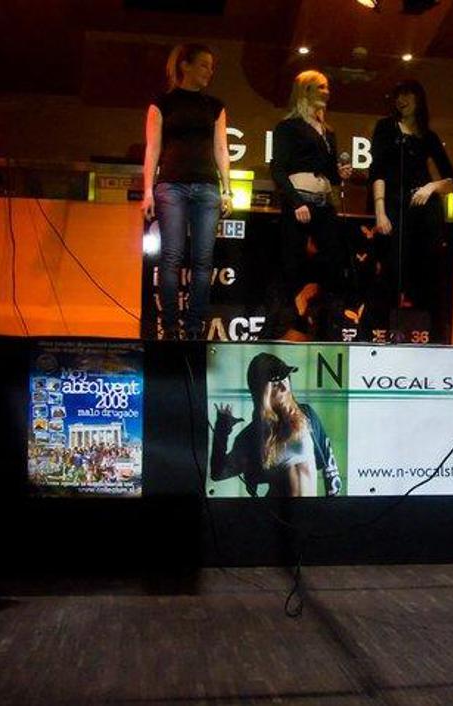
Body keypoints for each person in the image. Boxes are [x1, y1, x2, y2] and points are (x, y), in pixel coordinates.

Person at [141, 43, 232, 340]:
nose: (209, 71)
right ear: (185, 65)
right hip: (172, 184)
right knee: (172, 257)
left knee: (203, 260)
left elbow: (221, 149)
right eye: (204, 65)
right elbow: (153, 148)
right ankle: (170, 327)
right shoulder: (162, 103)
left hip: (207, 186)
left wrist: (227, 189)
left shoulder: (215, 106)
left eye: (212, 67)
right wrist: (147, 190)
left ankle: (194, 328)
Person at [369, 79, 453, 340]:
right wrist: (380, 211)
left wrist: (431, 187)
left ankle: (432, 337)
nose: (401, 100)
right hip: (395, 208)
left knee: (428, 273)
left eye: (407, 94)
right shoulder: (385, 128)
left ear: (419, 99)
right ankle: (381, 334)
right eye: (398, 95)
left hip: (425, 212)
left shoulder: (429, 136)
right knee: (391, 271)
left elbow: (452, 181)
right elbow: (378, 171)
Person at [270, 70, 352, 339]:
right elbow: (278, 169)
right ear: (306, 91)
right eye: (321, 87)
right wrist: (296, 202)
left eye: (327, 87)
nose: (327, 92)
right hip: (300, 201)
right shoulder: (288, 127)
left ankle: (326, 327)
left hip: (323, 202)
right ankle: (286, 327)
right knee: (292, 267)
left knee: (332, 265)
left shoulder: (327, 131)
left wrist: (340, 173)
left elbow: (329, 173)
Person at [210, 352, 341, 497]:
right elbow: (218, 473)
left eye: (285, 379)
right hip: (277, 510)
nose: (285, 387)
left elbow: (330, 466)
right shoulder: (252, 436)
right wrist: (222, 429)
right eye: (275, 384)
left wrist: (332, 503)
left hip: (311, 509)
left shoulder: (306, 415)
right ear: (262, 391)